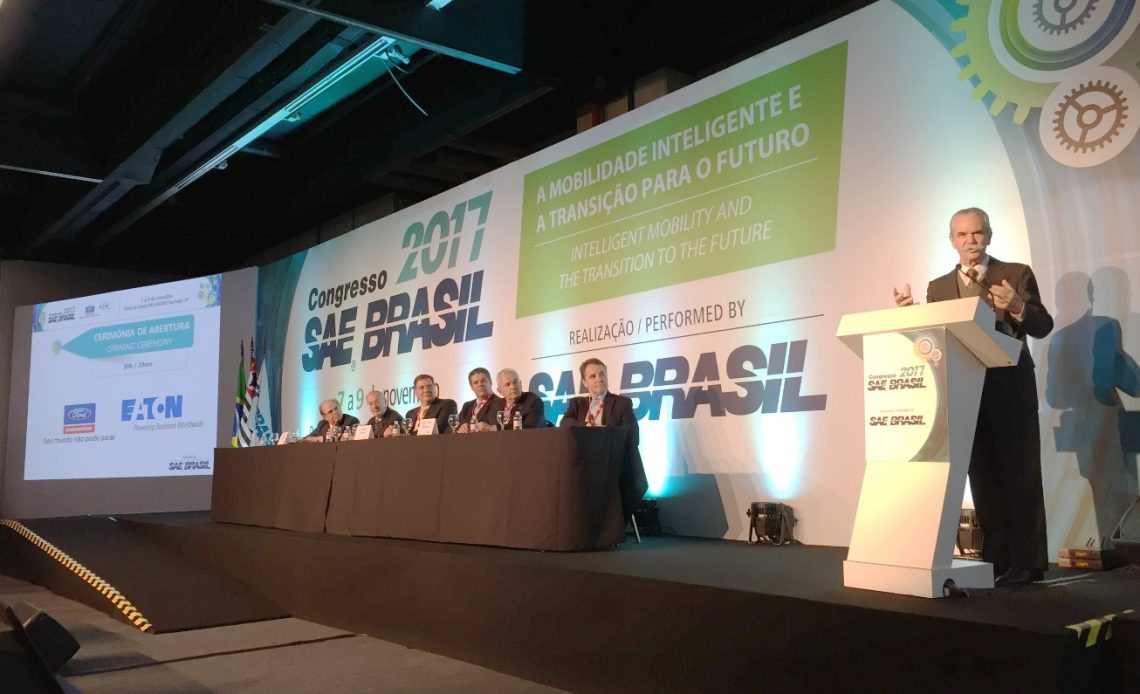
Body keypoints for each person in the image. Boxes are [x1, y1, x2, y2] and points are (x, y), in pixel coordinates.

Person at [893, 207, 1053, 586]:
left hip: (1010, 387)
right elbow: (938, 337)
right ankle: (996, 558)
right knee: (982, 476)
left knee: (1020, 474)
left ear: (989, 235)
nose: (971, 241)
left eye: (977, 233)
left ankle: (1027, 562)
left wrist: (1017, 305)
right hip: (965, 388)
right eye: (962, 235)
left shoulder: (1015, 273)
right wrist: (912, 318)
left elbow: (1043, 326)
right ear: (952, 241)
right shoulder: (938, 287)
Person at [559, 357, 638, 443]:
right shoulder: (577, 403)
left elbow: (632, 436)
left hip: (609, 450)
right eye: (593, 376)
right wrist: (588, 426)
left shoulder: (622, 403)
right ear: (584, 382)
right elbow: (564, 423)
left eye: (602, 374)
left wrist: (603, 432)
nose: (599, 379)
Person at [457, 367, 502, 433]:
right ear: (471, 387)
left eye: (483, 381)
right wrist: (461, 428)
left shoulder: (501, 403)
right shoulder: (467, 406)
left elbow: (504, 428)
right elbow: (455, 426)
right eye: (476, 382)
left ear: (491, 382)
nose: (480, 384)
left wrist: (491, 428)